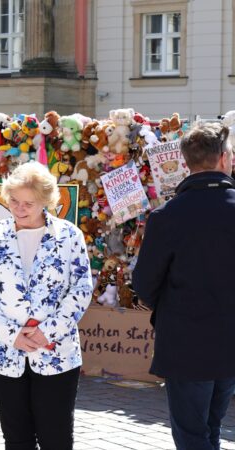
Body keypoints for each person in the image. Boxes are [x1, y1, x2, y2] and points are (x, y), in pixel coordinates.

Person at [0, 161, 93, 450]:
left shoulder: (69, 235)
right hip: (2, 351)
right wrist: (11, 334)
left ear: (46, 201)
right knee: (17, 439)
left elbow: (81, 288)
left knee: (57, 439)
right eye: (14, 200)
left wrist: (47, 331)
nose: (19, 208)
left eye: (29, 203)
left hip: (56, 350)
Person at [133, 123, 235, 450]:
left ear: (187, 162)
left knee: (194, 435)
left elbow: (144, 284)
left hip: (185, 341)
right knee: (210, 428)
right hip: (230, 340)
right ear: (223, 159)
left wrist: (168, 308)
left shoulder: (167, 216)